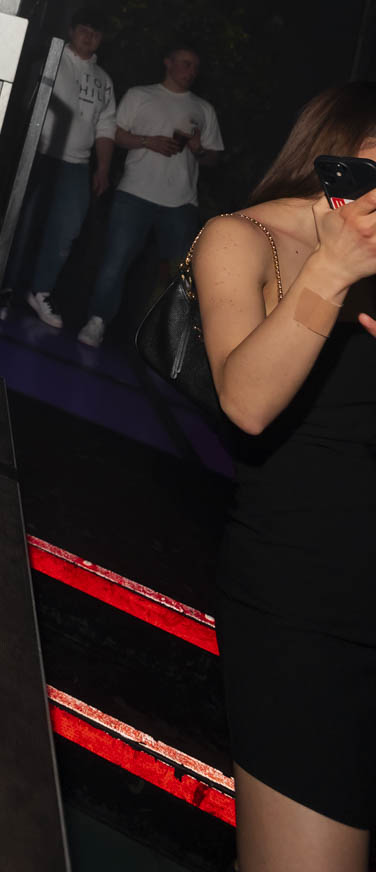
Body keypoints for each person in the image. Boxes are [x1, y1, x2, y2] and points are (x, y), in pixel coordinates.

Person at [193, 84, 376, 870]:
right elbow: (247, 403)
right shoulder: (243, 239)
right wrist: (330, 273)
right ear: (335, 158)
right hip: (307, 602)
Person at [77, 43, 222, 348]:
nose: (191, 71)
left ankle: (165, 339)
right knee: (116, 261)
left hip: (181, 201)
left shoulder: (203, 109)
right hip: (135, 193)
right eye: (185, 63)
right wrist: (147, 141)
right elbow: (115, 133)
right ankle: (97, 321)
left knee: (180, 273)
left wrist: (198, 150)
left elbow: (214, 158)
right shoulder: (140, 95)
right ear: (168, 63)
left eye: (195, 67)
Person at [18, 9, 118, 330]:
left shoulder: (104, 80)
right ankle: (6, 286)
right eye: (84, 30)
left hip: (77, 162)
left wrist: (103, 168)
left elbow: (106, 127)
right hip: (39, 153)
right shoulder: (51, 58)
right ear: (72, 30)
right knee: (23, 222)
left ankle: (41, 291)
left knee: (66, 230)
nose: (89, 37)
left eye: (96, 33)